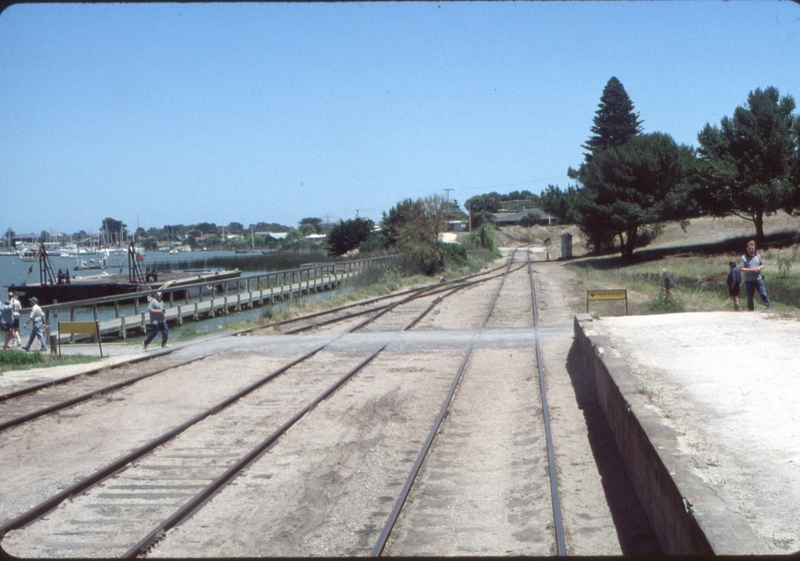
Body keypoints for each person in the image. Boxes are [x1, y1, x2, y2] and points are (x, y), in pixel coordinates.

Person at [738, 240, 771, 311]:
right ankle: (750, 309)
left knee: (763, 293)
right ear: (747, 248)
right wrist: (751, 270)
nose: (751, 250)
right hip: (749, 280)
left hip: (758, 279)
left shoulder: (758, 256)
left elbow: (762, 265)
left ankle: (768, 307)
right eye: (749, 248)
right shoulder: (743, 258)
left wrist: (759, 267)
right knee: (750, 296)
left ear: (755, 248)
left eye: (752, 248)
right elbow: (741, 269)